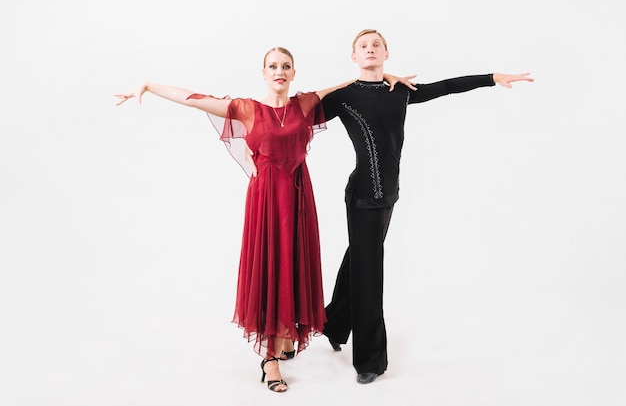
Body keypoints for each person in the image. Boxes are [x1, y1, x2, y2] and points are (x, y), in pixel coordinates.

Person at [114, 47, 409, 392]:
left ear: (294, 73)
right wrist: (148, 85)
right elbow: (194, 99)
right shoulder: (247, 109)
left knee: (295, 262)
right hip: (267, 198)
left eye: (286, 66)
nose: (279, 71)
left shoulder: (305, 104)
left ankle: (287, 333)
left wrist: (385, 76)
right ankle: (269, 358)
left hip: (300, 196)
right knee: (272, 265)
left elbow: (347, 87)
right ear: (264, 72)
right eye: (273, 66)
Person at [320, 29, 534, 385]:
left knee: (360, 257)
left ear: (387, 53)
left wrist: (493, 78)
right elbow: (304, 107)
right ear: (354, 56)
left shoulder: (399, 91)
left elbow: (447, 86)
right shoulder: (344, 97)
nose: (370, 49)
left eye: (376, 45)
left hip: (388, 194)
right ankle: (369, 359)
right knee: (370, 271)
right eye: (363, 46)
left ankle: (333, 322)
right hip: (362, 196)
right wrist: (348, 82)